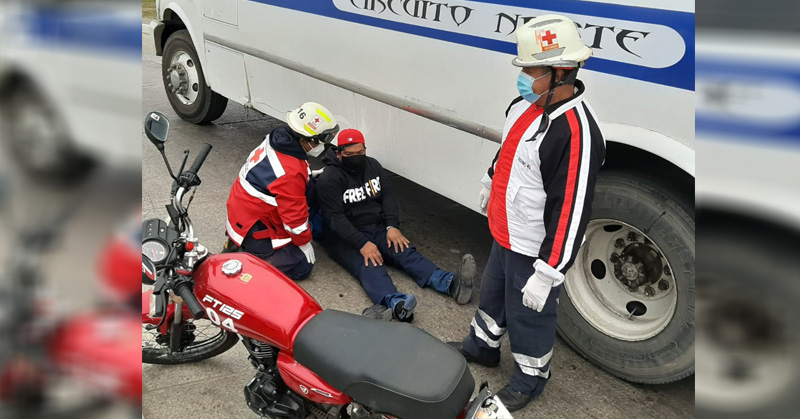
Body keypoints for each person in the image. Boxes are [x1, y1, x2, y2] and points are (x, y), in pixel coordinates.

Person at [448, 15, 606, 411]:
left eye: (531, 72)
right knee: (493, 296)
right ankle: (482, 346)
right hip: (505, 231)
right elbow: (509, 151)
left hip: (534, 248)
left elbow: (571, 210)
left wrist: (548, 273)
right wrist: (489, 181)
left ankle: (530, 379)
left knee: (529, 316)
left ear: (561, 72)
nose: (523, 78)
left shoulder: (576, 132)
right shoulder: (523, 106)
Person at [315, 128, 476, 322]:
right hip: (344, 236)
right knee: (370, 265)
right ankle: (397, 305)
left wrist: (392, 226)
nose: (356, 158)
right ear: (339, 154)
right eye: (350, 155)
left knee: (404, 250)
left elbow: (388, 196)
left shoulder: (373, 165)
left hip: (377, 226)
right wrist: (362, 244)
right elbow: (334, 219)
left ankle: (450, 284)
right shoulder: (329, 179)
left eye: (360, 152)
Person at [223, 102, 339, 280]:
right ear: (306, 140)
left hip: (242, 211)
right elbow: (294, 221)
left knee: (312, 188)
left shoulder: (277, 138)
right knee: (302, 265)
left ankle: (242, 246)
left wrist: (309, 176)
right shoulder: (290, 173)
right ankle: (249, 266)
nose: (322, 146)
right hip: (254, 226)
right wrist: (304, 243)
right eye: (320, 142)